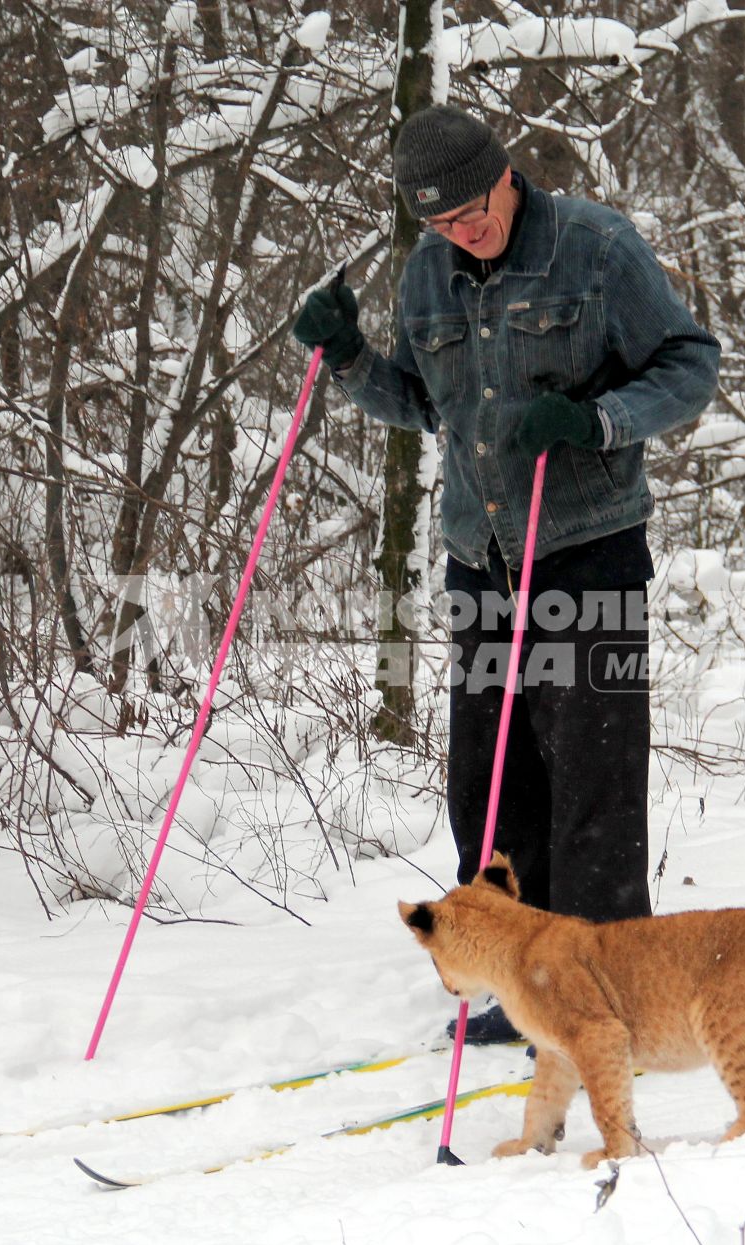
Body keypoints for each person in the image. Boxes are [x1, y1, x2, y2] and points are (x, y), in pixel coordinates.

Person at [295, 105, 719, 1042]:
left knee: (593, 790)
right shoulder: (425, 277)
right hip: (482, 560)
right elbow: (418, 400)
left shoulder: (596, 250)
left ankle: (611, 1000)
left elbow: (692, 366)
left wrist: (595, 421)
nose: (464, 231)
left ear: (504, 174)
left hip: (589, 550)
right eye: (441, 222)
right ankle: (525, 991)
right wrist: (347, 356)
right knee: (491, 785)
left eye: (473, 211)